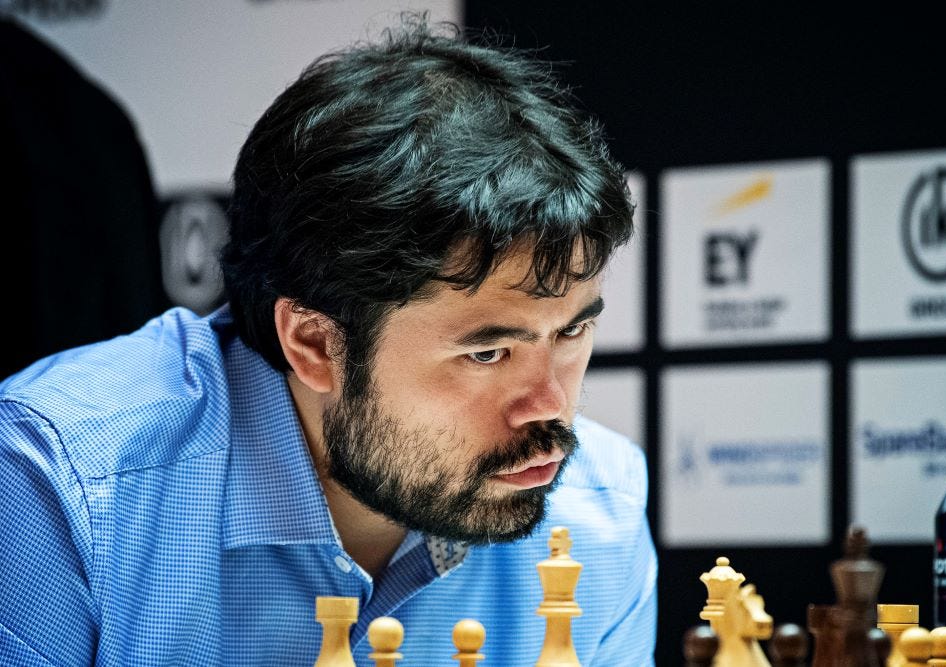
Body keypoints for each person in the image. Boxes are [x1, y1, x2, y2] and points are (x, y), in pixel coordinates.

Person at [0, 16, 657, 666]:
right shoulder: (58, 486)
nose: (551, 406)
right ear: (315, 344)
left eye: (572, 330)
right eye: (486, 352)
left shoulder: (601, 509)